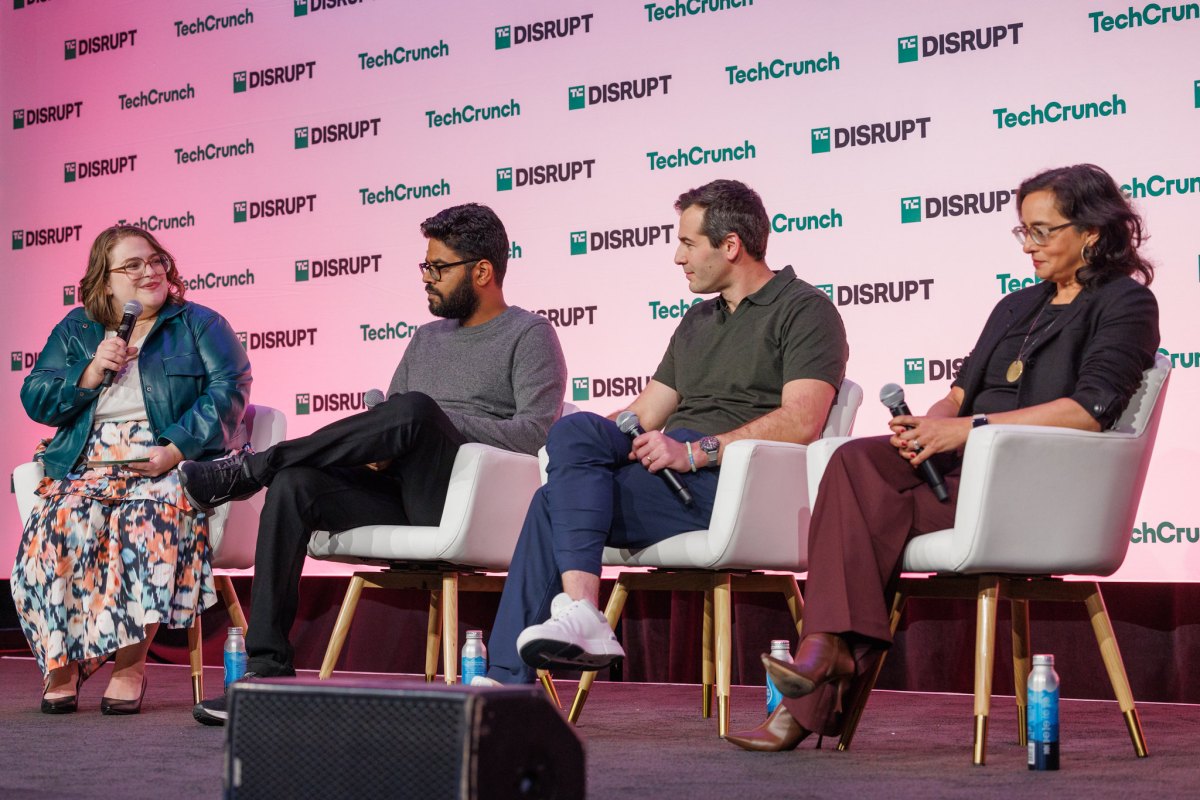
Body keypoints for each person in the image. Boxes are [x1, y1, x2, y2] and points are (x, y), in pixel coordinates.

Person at [726, 163, 1161, 751]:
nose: (1028, 245)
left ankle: (812, 684)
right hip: (964, 474)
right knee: (854, 463)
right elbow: (957, 394)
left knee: (869, 508)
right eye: (1022, 232)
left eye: (1042, 231)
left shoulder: (1125, 304)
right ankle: (825, 651)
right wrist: (928, 426)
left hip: (1036, 486)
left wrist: (968, 431)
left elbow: (1089, 410)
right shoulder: (1016, 306)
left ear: (1091, 232)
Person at [182, 203, 567, 724]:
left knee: (415, 408)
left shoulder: (530, 335)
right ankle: (267, 669)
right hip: (398, 488)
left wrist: (438, 419)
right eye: (424, 268)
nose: (426, 280)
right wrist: (386, 437)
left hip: (463, 501)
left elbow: (533, 433)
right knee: (297, 484)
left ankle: (251, 469)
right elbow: (396, 418)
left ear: (482, 272)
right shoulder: (426, 339)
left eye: (438, 268)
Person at [479, 179, 849, 686]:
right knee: (572, 435)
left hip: (732, 482)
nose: (678, 257)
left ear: (731, 245)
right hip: (668, 468)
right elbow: (648, 410)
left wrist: (695, 452)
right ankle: (581, 615)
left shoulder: (804, 309)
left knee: (550, 504)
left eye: (688, 243)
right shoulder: (698, 320)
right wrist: (572, 452)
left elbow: (802, 420)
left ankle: (511, 677)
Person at [12, 224, 252, 715]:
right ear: (105, 283)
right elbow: (36, 397)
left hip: (165, 457)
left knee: (145, 522)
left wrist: (175, 448)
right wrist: (90, 372)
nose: (151, 271)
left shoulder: (199, 324)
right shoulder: (76, 329)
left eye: (156, 260)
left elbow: (230, 390)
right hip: (88, 461)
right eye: (133, 265)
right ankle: (62, 665)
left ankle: (129, 666)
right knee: (53, 532)